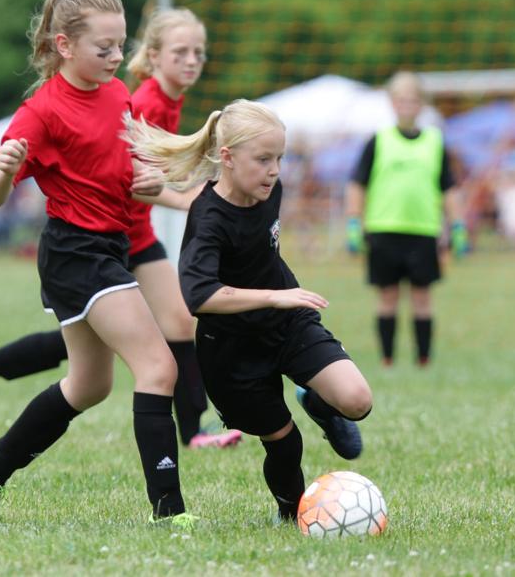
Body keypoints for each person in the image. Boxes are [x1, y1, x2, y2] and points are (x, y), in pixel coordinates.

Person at [0, 0, 196, 527]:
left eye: (120, 45)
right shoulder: (40, 113)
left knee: (90, 384)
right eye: (104, 48)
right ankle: (169, 513)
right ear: (64, 45)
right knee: (158, 366)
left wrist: (171, 187)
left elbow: (129, 179)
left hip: (109, 246)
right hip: (76, 254)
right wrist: (6, 169)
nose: (116, 58)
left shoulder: (118, 96)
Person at [0, 8, 241, 449]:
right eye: (181, 51)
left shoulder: (143, 95)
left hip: (127, 235)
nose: (192, 60)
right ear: (154, 57)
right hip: (108, 238)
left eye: (199, 51)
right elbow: (120, 180)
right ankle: (192, 433)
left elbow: (141, 171)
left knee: (109, 349)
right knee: (137, 340)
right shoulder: (141, 101)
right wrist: (184, 199)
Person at [124, 99, 373, 523]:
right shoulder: (208, 219)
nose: (275, 170)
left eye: (279, 157)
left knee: (357, 400)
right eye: (263, 159)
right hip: (232, 349)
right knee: (284, 442)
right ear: (228, 157)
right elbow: (198, 296)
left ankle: (318, 401)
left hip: (287, 322)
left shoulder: (268, 187)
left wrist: (280, 300)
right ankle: (292, 514)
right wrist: (273, 295)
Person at [345, 71, 466, 367]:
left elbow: (448, 186)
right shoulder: (378, 141)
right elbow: (357, 184)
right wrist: (353, 223)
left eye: (413, 100)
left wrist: (458, 224)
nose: (407, 106)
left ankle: (423, 359)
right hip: (384, 228)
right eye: (401, 100)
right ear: (392, 103)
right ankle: (387, 359)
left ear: (422, 104)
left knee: (422, 298)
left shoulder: (435, 142)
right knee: (387, 297)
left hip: (423, 230)